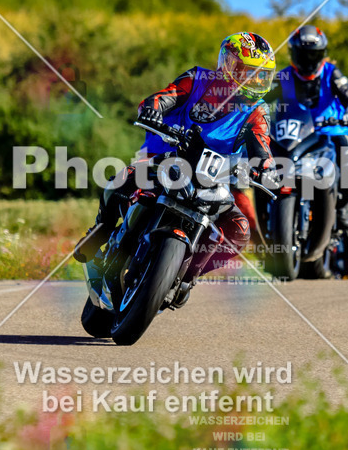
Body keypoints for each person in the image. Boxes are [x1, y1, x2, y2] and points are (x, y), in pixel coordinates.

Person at [73, 32, 279, 285]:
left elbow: (262, 144)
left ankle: (187, 276)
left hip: (213, 179)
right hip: (167, 156)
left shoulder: (258, 110)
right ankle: (102, 228)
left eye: (260, 75)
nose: (253, 80)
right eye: (246, 71)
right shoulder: (197, 79)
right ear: (227, 64)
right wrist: (152, 109)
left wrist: (266, 168)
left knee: (240, 230)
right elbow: (164, 96)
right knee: (125, 178)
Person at [263, 26, 348, 252]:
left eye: (315, 54)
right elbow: (261, 98)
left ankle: (340, 211)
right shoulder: (283, 76)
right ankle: (266, 215)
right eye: (303, 55)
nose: (309, 60)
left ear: (323, 54)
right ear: (293, 55)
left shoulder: (332, 73)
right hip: (290, 135)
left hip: (330, 133)